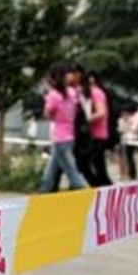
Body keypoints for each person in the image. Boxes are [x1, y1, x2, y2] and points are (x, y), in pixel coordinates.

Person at [38, 64, 88, 193]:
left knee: (71, 169)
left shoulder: (54, 95)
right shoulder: (72, 92)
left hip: (60, 136)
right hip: (69, 134)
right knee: (52, 168)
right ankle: (44, 190)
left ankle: (84, 190)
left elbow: (47, 114)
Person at [85, 72, 114, 187]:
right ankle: (103, 185)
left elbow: (101, 112)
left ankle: (104, 186)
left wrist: (86, 118)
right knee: (98, 165)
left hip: (97, 134)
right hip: (99, 133)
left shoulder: (96, 93)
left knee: (96, 164)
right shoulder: (98, 92)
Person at [117, 102, 138, 181]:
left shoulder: (137, 115)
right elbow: (120, 129)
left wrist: (128, 123)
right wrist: (125, 122)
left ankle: (132, 174)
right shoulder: (121, 119)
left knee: (129, 155)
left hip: (132, 138)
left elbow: (134, 128)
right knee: (121, 155)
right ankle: (123, 173)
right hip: (124, 138)